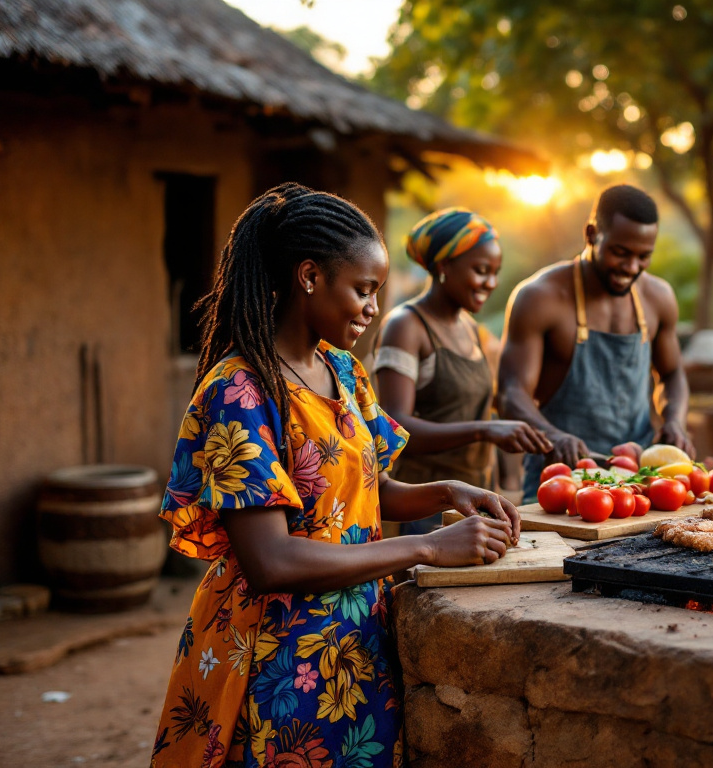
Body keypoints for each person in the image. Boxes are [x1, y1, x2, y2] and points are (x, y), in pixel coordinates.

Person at [151, 184, 520, 767]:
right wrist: (426, 546)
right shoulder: (240, 390)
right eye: (363, 289)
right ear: (308, 277)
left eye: (377, 291)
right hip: (275, 660)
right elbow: (270, 561)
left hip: (354, 646)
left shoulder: (342, 370)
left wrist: (450, 491)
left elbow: (368, 494)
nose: (373, 308)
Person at [499, 184, 695, 502]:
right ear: (591, 234)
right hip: (560, 477)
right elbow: (510, 394)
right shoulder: (539, 297)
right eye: (620, 252)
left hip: (637, 478)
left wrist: (675, 421)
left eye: (643, 256)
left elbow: (672, 374)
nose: (631, 267)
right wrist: (554, 435)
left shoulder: (658, 298)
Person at [373, 208, 552, 533]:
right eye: (481, 270)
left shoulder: (473, 330)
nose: (491, 283)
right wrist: (485, 430)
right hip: (424, 511)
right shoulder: (406, 327)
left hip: (478, 507)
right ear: (443, 266)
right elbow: (394, 428)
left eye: (496, 272)